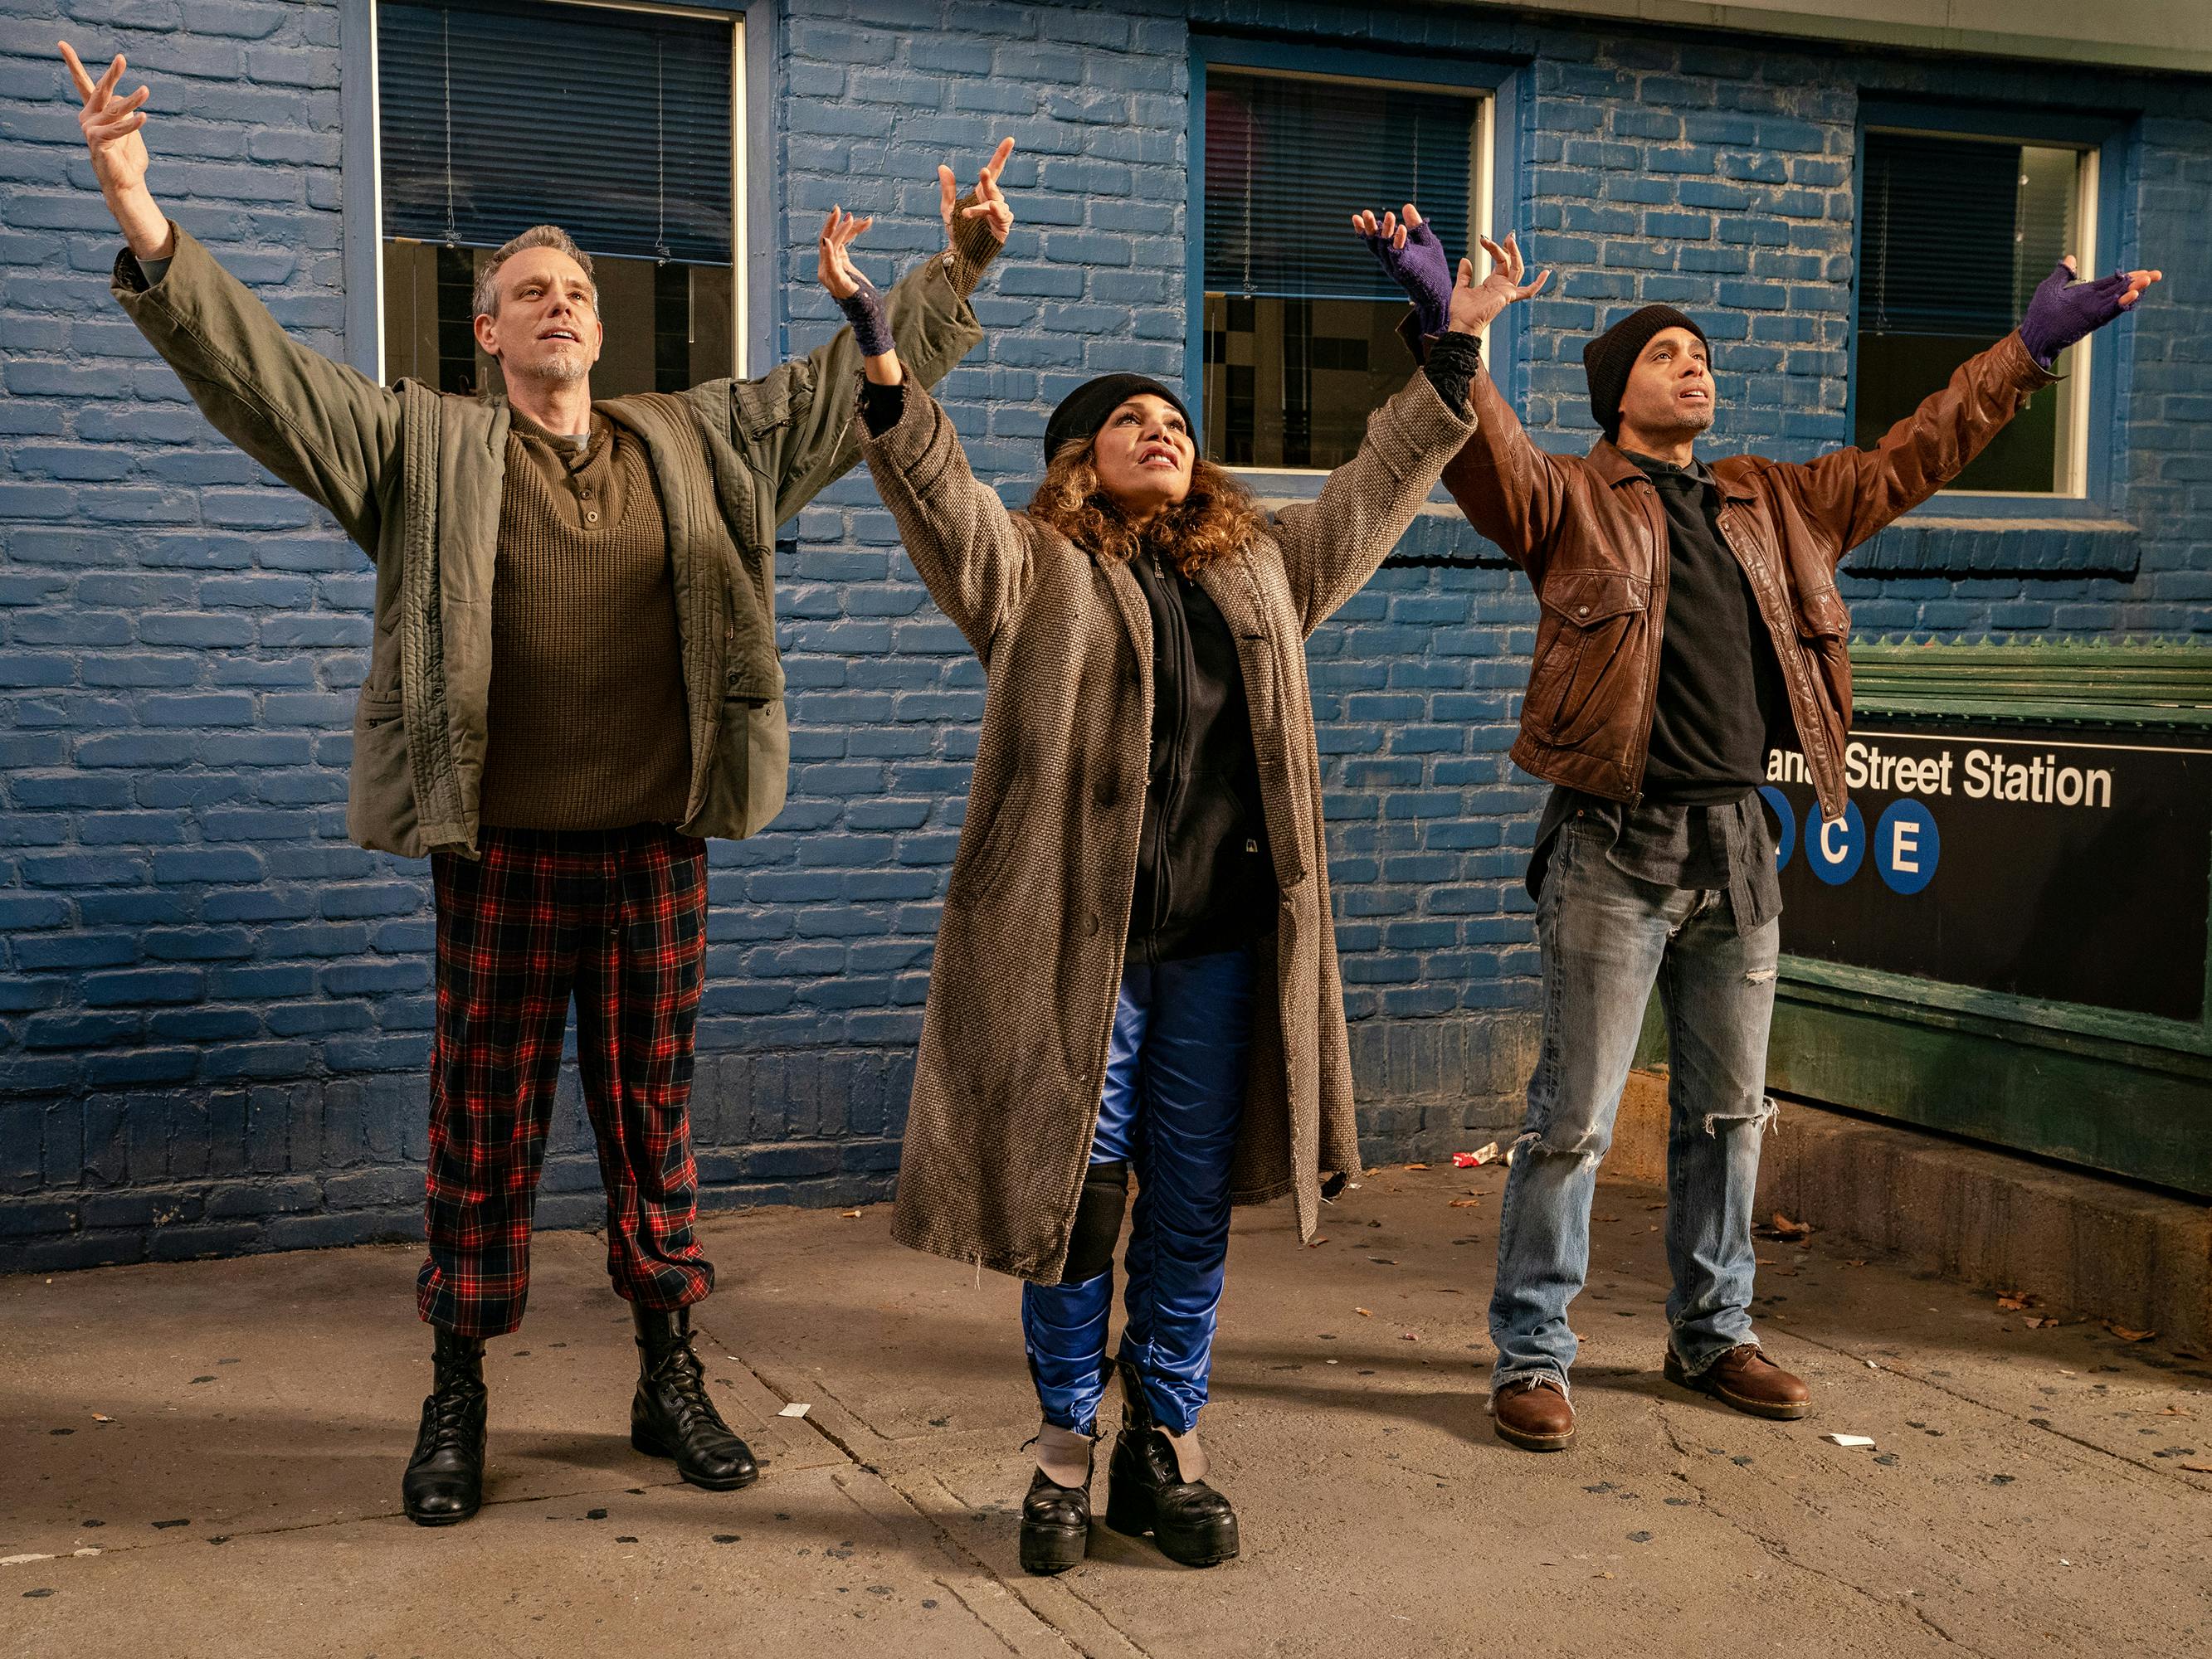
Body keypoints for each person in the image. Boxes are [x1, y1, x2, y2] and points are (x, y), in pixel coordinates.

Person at [59, 39, 1014, 1523]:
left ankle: (666, 1371)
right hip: (498, 854)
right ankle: (458, 1392)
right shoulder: (420, 449)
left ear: (596, 326)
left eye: (576, 292)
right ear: (486, 335)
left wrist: (948, 280)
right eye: (528, 295)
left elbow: (847, 394)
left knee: (652, 1119)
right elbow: (269, 389)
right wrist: (143, 212)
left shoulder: (697, 440)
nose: (559, 306)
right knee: (481, 1124)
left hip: (650, 849)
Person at [1411, 221, 2161, 1452]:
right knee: (1576, 1119)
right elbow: (1479, 454)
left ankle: (1712, 1335)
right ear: (1616, 394)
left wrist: (2023, 355)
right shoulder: (1567, 499)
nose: (1692, 367)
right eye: (1663, 354)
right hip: (1612, 847)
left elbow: (1914, 453)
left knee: (1730, 1117)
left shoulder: (1777, 501)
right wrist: (1456, 337)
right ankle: (1534, 1355)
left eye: (1699, 353)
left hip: (1737, 847)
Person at [831, 202, 1483, 1572]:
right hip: (1080, 952)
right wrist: (887, 367)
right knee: (1080, 1198)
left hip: (1224, 947)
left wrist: (1445, 355)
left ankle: (1165, 1446)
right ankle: (1066, 1448)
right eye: (1128, 419)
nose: (1160, 429)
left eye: (1175, 420)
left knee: (1186, 1201)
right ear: (1078, 459)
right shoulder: (1035, 570)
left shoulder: (1262, 566)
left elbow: (1373, 490)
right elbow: (938, 497)